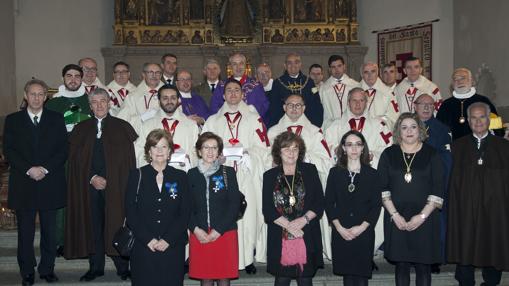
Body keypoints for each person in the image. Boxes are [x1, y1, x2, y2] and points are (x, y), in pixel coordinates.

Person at [64, 88, 137, 281]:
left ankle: (122, 266)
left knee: (116, 223)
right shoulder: (81, 129)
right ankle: (95, 267)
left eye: (103, 101)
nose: (99, 105)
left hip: (116, 186)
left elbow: (128, 162)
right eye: (95, 102)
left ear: (109, 103)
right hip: (89, 186)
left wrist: (111, 179)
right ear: (90, 106)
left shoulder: (122, 127)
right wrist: (92, 177)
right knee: (93, 225)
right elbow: (76, 161)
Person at [3, 79, 68, 285]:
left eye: (41, 94)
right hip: (24, 183)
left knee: (50, 232)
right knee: (25, 233)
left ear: (46, 97)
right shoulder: (13, 120)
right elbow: (9, 151)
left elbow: (63, 150)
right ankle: (27, 271)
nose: (37, 98)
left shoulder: (56, 119)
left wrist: (45, 168)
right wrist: (29, 169)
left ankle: (47, 269)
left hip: (50, 182)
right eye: (33, 94)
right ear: (25, 95)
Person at [203, 79, 270, 273]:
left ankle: (247, 258)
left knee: (247, 217)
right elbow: (203, 148)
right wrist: (216, 157)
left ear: (242, 94)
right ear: (223, 95)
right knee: (222, 215)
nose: (233, 93)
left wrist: (249, 154)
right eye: (229, 90)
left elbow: (264, 148)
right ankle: (225, 256)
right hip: (221, 174)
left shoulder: (253, 118)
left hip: (246, 172)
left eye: (236, 90)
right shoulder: (213, 121)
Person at [378, 112, 444, 286]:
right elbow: (383, 189)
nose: (409, 131)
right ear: (398, 131)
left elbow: (438, 188)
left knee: (423, 267)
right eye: (404, 127)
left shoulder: (432, 154)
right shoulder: (388, 154)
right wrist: (395, 215)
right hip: (397, 218)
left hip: (426, 218)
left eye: (413, 127)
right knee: (401, 266)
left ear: (420, 130)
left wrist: (422, 216)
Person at [447, 102, 509, 286]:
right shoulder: (457, 147)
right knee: (465, 243)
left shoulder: (504, 147)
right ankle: (466, 281)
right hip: (465, 209)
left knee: (492, 242)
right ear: (468, 121)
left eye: (482, 116)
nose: (478, 121)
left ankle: (491, 281)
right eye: (473, 117)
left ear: (489, 119)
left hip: (495, 210)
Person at [267, 93, 333, 258]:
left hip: (307, 188)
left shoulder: (315, 131)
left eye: (298, 105)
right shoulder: (273, 131)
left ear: (304, 108)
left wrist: (306, 158)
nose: (294, 108)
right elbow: (267, 158)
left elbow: (326, 159)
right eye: (290, 105)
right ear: (284, 107)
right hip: (281, 188)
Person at [125, 129, 191, 286]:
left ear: (170, 152)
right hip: (144, 246)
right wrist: (148, 239)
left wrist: (168, 239)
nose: (159, 151)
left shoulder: (180, 177)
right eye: (155, 147)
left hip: (173, 246)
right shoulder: (136, 175)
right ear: (149, 151)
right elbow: (130, 211)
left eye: (164, 147)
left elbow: (185, 212)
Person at [262, 131, 324, 286]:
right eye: (286, 149)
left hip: (306, 232)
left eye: (295, 148)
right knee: (282, 279)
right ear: (278, 152)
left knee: (305, 279)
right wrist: (290, 226)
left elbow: (319, 202)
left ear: (300, 151)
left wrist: (303, 220)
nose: (291, 152)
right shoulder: (270, 175)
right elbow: (267, 209)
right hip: (280, 235)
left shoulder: (310, 171)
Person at [325, 130, 382, 286]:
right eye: (349, 145)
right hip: (341, 231)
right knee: (348, 278)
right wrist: (339, 228)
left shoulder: (373, 174)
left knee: (362, 278)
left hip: (364, 231)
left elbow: (376, 205)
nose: (354, 149)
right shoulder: (335, 173)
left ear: (363, 148)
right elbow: (328, 203)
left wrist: (362, 227)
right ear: (343, 148)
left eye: (358, 144)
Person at [188, 132, 241, 285]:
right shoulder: (191, 174)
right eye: (206, 147)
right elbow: (186, 207)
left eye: (214, 148)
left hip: (224, 232)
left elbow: (234, 204)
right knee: (206, 277)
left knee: (224, 277)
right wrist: (196, 229)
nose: (210, 151)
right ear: (199, 151)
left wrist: (218, 230)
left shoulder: (228, 172)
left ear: (219, 151)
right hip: (200, 233)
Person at [413, 94, 452, 274]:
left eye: (430, 104)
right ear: (415, 106)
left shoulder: (442, 129)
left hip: (434, 183)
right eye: (423, 104)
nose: (427, 108)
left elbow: (447, 158)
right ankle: (413, 256)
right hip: (411, 183)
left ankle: (434, 258)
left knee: (434, 223)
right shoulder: (407, 126)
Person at [134, 85, 200, 171]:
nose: (169, 101)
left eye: (173, 98)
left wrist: (189, 159)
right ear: (159, 101)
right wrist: (151, 162)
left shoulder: (191, 125)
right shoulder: (147, 125)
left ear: (178, 100)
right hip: (155, 174)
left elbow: (197, 151)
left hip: (183, 173)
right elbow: (139, 151)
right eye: (165, 98)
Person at [436, 68, 498, 140]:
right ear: (452, 84)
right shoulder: (446, 105)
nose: (459, 82)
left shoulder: (483, 101)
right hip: (453, 147)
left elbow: (496, 128)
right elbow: (438, 130)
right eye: (456, 79)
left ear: (472, 81)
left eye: (463, 78)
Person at [269, 53, 324, 128]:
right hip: (284, 126)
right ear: (285, 65)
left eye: (296, 62)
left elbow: (316, 103)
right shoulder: (277, 83)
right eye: (289, 63)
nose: (293, 65)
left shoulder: (309, 82)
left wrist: (315, 125)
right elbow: (274, 107)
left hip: (307, 124)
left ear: (300, 64)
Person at [210, 53, 269, 120]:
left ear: (245, 65)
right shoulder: (221, 86)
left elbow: (264, 106)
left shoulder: (256, 85)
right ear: (230, 66)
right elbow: (214, 107)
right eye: (235, 64)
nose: (238, 67)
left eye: (241, 63)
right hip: (227, 124)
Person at [46, 64, 91, 132]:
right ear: (62, 78)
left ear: (81, 80)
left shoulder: (91, 100)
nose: (73, 80)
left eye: (77, 76)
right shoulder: (52, 103)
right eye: (69, 76)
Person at [320, 55, 360, 129]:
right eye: (333, 67)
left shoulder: (355, 85)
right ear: (329, 69)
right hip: (331, 127)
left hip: (352, 125)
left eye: (339, 66)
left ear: (344, 67)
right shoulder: (323, 89)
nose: (337, 69)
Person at [360, 62, 399, 127]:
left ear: (377, 73)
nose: (370, 75)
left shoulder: (388, 92)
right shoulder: (354, 91)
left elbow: (394, 118)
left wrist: (377, 122)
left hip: (381, 131)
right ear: (362, 75)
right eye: (366, 72)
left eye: (373, 71)